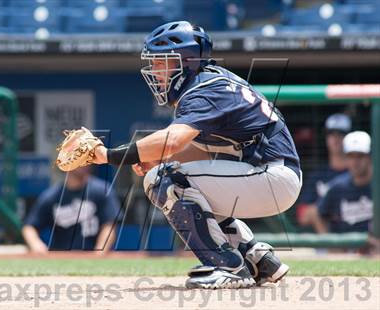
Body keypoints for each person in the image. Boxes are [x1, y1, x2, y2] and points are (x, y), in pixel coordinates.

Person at [91, 21, 302, 289]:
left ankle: (227, 265)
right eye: (154, 62)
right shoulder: (211, 79)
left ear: (186, 61)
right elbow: (193, 148)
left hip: (271, 176)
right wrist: (159, 157)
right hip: (270, 175)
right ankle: (256, 258)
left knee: (163, 180)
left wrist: (107, 154)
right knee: (180, 182)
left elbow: (172, 140)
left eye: (161, 62)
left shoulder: (204, 90)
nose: (155, 71)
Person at [22, 166, 120, 253]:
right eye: (79, 159)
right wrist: (36, 245)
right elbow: (29, 227)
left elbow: (109, 226)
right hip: (61, 257)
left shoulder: (102, 190)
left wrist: (99, 252)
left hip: (92, 253)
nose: (85, 164)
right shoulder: (52, 196)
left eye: (87, 160)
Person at [296, 113, 351, 233]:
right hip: (326, 242)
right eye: (331, 133)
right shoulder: (318, 175)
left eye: (341, 133)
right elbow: (302, 215)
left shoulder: (358, 174)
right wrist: (323, 211)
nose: (336, 138)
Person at [318, 131, 373, 234]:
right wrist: (329, 243)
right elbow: (320, 214)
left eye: (360, 156)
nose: (355, 162)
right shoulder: (337, 187)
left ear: (369, 157)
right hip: (346, 248)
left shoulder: (377, 185)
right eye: (351, 156)